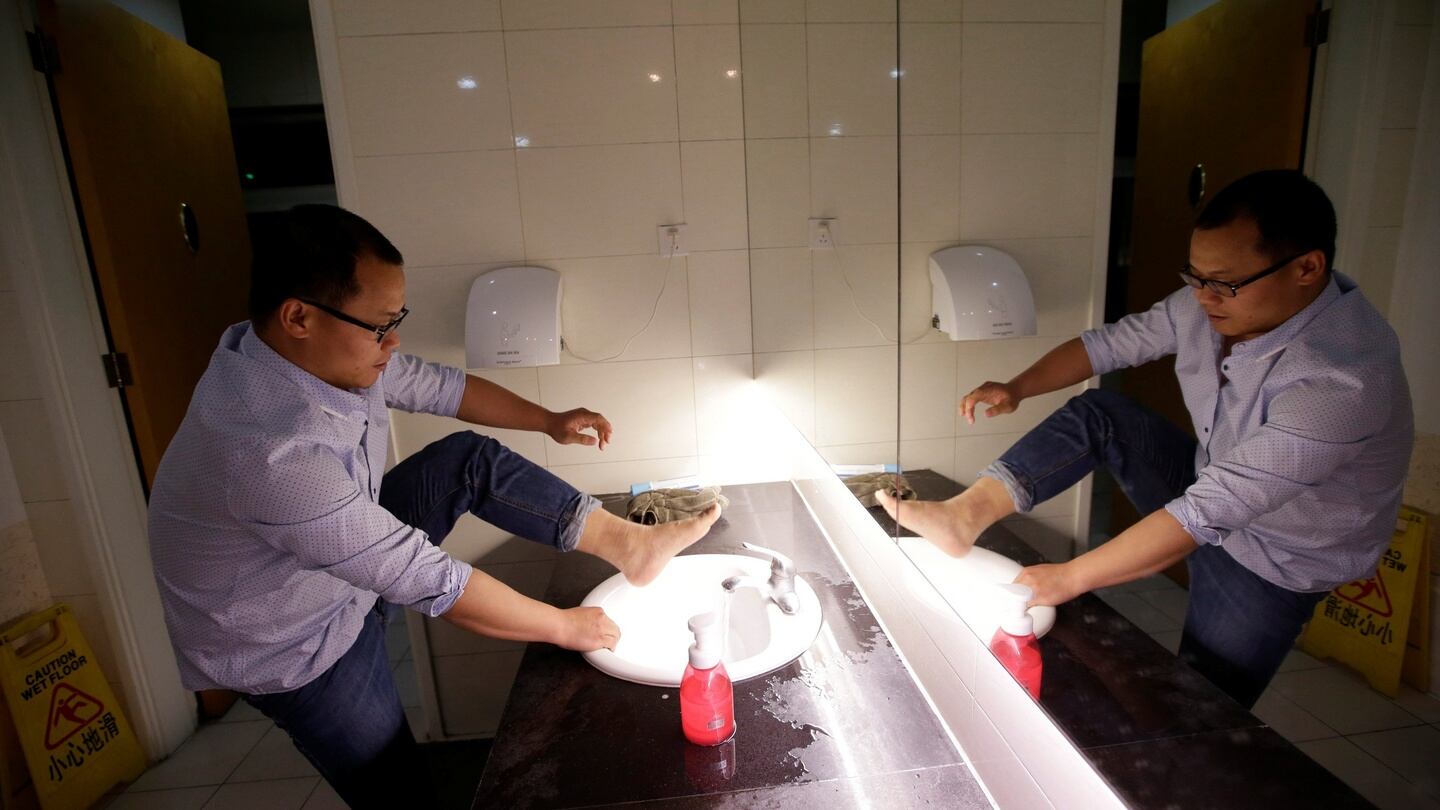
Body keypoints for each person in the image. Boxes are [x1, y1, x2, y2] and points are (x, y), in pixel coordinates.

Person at [147, 204, 720, 807]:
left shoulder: (290, 352)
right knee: (400, 795)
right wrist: (564, 626)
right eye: (378, 325)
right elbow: (424, 578)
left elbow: (438, 386)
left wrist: (549, 420)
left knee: (463, 459)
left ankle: (629, 544)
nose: (392, 341)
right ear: (298, 317)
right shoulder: (270, 454)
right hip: (293, 642)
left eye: (398, 319)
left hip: (331, 565)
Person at [878, 169, 1413, 709]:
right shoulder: (1212, 303)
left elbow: (1209, 510)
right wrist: (1017, 387)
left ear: (1307, 267)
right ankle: (964, 515)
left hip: (1278, 559)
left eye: (1223, 282)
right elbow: (1109, 346)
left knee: (1194, 712)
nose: (1203, 297)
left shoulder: (1344, 382)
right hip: (1213, 485)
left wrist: (1065, 579)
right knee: (1104, 412)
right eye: (1195, 276)